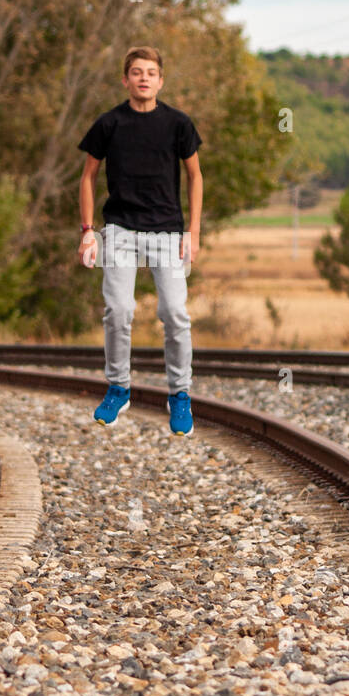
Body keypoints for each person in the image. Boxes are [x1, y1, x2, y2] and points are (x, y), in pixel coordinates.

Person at [76, 46, 202, 435]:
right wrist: (87, 232)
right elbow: (87, 177)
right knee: (118, 310)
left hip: (167, 232)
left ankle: (179, 394)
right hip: (119, 231)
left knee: (175, 315)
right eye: (136, 72)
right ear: (126, 79)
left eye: (151, 72)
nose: (143, 78)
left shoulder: (179, 124)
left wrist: (193, 233)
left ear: (160, 80)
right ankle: (118, 387)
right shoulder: (109, 124)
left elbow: (196, 177)